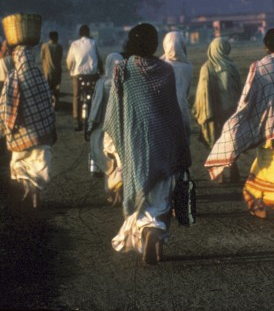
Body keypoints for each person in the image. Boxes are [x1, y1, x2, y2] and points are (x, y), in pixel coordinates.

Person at [103, 23, 191, 265]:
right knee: (163, 196)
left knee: (141, 195)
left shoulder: (123, 69)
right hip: (163, 143)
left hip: (134, 146)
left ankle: (146, 230)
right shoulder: (166, 70)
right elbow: (173, 112)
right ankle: (157, 236)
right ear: (155, 44)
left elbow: (113, 112)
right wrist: (181, 145)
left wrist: (113, 145)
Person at [204, 28, 274, 229]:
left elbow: (246, 100)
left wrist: (239, 124)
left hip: (270, 133)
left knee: (262, 173)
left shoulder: (259, 68)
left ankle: (259, 206)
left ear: (265, 46)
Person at [0, 40, 57, 209]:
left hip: (21, 134)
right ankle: (37, 195)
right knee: (39, 165)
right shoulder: (39, 76)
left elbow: (4, 104)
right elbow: (47, 103)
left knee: (19, 164)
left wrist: (4, 126)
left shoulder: (13, 78)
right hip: (40, 134)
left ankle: (27, 188)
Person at [193, 36, 243, 183]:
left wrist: (201, 111)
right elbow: (239, 89)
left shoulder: (206, 68)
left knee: (215, 143)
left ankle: (220, 174)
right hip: (231, 111)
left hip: (213, 113)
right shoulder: (232, 67)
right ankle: (233, 169)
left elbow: (202, 95)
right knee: (231, 141)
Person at [88, 51, 124, 205]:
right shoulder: (126, 82)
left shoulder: (102, 83)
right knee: (122, 162)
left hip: (105, 130)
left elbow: (96, 107)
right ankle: (121, 191)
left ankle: (110, 191)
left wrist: (91, 125)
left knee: (108, 163)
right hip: (122, 129)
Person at [66, 25, 103, 131]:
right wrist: (101, 69)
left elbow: (69, 61)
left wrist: (70, 70)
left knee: (76, 96)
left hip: (78, 75)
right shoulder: (93, 43)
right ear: (89, 33)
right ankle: (93, 118)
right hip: (92, 75)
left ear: (79, 34)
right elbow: (100, 59)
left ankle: (76, 120)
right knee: (94, 96)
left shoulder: (74, 44)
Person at [159, 31, 193, 135]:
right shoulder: (187, 67)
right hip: (181, 112)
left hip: (161, 114)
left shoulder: (158, 65)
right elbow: (185, 93)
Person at [40, 31, 63, 109]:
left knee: (48, 89)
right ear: (56, 37)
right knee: (56, 89)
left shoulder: (45, 46)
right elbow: (60, 58)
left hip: (47, 71)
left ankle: (48, 105)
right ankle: (55, 105)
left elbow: (41, 57)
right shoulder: (59, 47)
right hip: (57, 71)